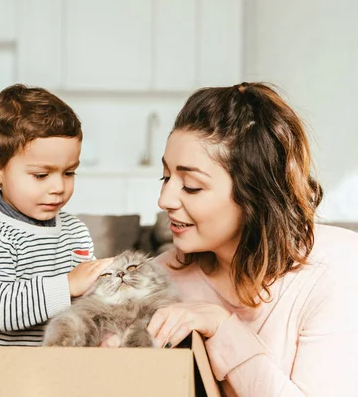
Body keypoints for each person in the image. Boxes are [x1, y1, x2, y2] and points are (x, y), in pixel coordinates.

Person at [146, 82, 358, 396]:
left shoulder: (336, 266)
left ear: (254, 193)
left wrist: (221, 326)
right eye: (166, 177)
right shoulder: (162, 277)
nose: (165, 199)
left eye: (191, 185)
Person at [0, 84, 111, 347]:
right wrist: (68, 285)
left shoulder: (75, 231)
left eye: (69, 172)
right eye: (41, 175)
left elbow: (87, 296)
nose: (58, 187)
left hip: (45, 369)